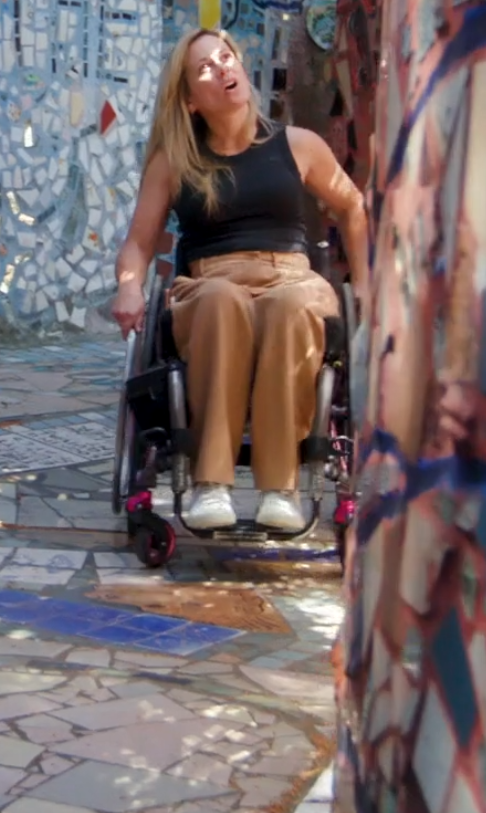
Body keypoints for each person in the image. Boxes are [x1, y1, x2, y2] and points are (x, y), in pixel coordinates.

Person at [110, 28, 370, 531]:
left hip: (290, 278)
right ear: (189, 99)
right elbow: (139, 242)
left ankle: (281, 491)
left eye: (225, 57)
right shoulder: (175, 161)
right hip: (209, 282)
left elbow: (352, 205)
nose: (222, 68)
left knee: (290, 307)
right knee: (221, 301)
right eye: (204, 67)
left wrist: (365, 284)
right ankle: (211, 484)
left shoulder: (298, 144)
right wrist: (128, 284)